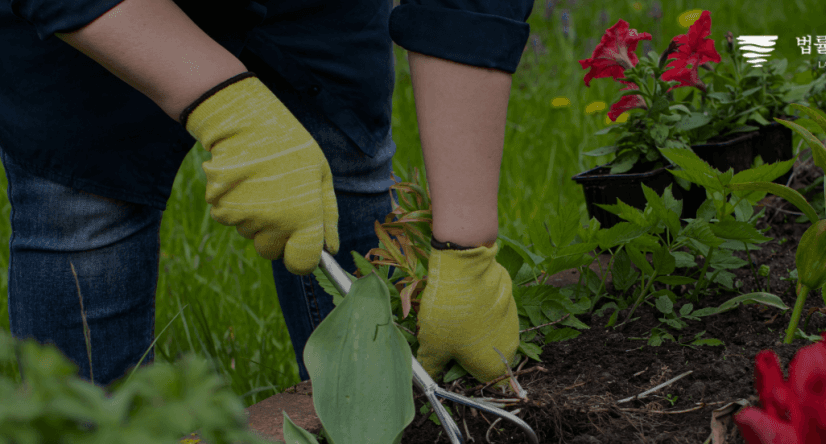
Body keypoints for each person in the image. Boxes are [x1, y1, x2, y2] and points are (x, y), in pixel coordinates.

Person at [0, 0, 534, 392]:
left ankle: (373, 440)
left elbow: (470, 11)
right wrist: (224, 108)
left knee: (346, 172)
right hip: (104, 24)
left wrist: (465, 243)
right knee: (86, 214)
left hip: (311, 11)